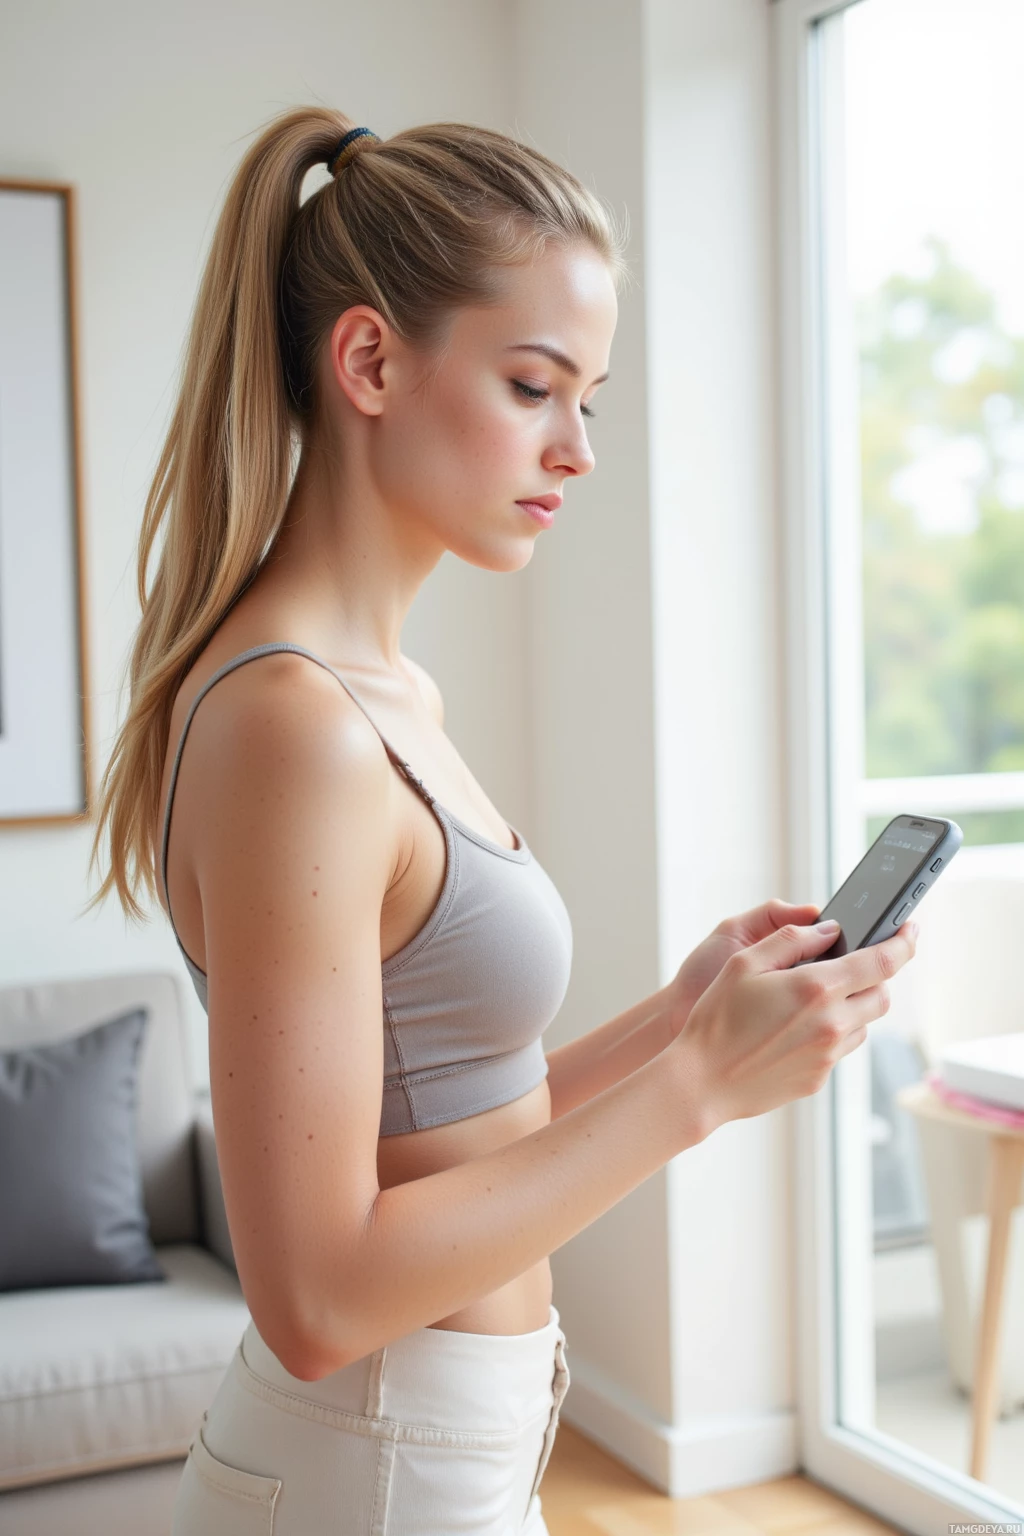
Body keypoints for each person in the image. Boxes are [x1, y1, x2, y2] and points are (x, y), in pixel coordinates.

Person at [85, 105, 917, 1536]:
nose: (578, 448)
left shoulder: (385, 693)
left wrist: (681, 1016)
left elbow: (450, 1118)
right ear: (369, 361)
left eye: (589, 396)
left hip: (439, 1455)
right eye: (536, 386)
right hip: (369, 1475)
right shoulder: (298, 724)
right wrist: (697, 1090)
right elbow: (318, 1298)